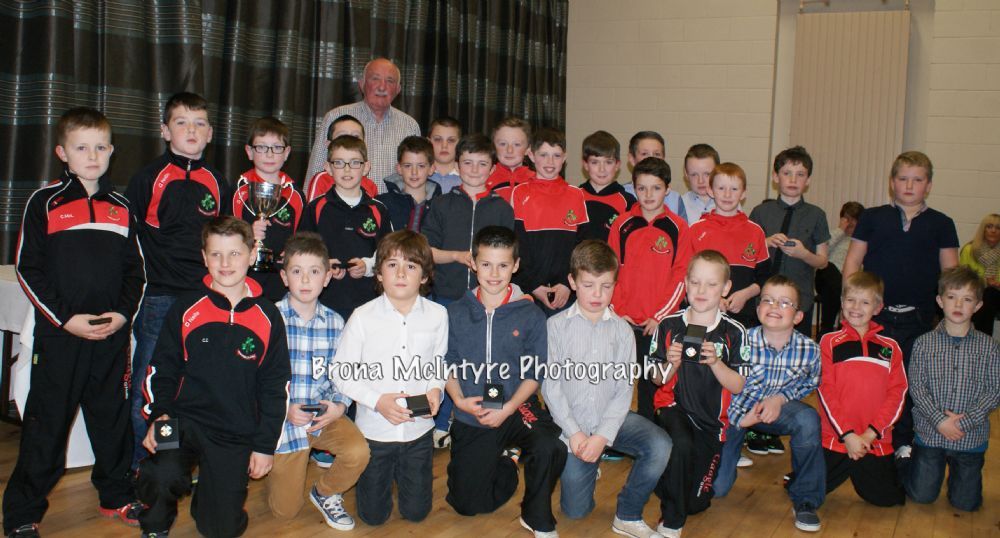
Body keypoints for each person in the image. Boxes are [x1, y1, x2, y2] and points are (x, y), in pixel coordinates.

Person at [3, 108, 145, 538]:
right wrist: (66, 320)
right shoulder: (44, 202)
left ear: (112, 151)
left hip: (110, 337)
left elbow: (136, 272)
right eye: (82, 147)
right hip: (61, 337)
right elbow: (28, 269)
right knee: (46, 424)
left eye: (101, 147)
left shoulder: (122, 207)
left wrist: (122, 315)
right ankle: (22, 513)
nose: (93, 156)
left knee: (112, 420)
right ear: (63, 153)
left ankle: (116, 494)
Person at [136, 217, 290, 538]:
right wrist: (158, 415)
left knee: (221, 529)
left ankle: (210, 501)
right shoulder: (186, 308)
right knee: (160, 471)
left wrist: (264, 447)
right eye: (216, 254)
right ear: (204, 257)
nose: (225, 263)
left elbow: (275, 387)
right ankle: (155, 527)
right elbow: (161, 369)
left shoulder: (268, 316)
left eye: (234, 253)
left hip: (235, 431)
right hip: (179, 419)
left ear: (252, 254)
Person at [125, 92, 231, 468]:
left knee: (194, 385)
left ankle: (175, 464)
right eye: (182, 122)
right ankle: (143, 466)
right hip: (159, 299)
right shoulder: (148, 178)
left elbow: (226, 242)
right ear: (165, 130)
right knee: (151, 387)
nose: (191, 130)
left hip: (205, 300)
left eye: (200, 123)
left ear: (210, 133)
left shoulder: (218, 183)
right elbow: (127, 239)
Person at [444, 226, 566, 538]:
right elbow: (446, 363)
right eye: (486, 264)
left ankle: (537, 515)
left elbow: (534, 373)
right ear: (473, 263)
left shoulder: (530, 314)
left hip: (515, 405)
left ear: (516, 265)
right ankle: (509, 461)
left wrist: (509, 407)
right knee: (466, 504)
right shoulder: (455, 312)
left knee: (550, 445)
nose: (494, 274)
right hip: (472, 411)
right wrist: (458, 400)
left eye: (502, 265)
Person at [543, 240, 669, 538]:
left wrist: (602, 436)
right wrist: (575, 434)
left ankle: (628, 514)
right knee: (575, 511)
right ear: (572, 282)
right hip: (572, 428)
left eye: (606, 286)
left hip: (612, 420)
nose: (597, 295)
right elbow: (551, 387)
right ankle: (589, 462)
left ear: (615, 284)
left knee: (660, 445)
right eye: (589, 285)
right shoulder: (555, 327)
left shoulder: (623, 331)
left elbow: (624, 389)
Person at [842, 151, 959, 457]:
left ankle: (903, 442)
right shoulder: (872, 218)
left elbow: (950, 274)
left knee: (907, 382)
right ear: (892, 182)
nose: (909, 186)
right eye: (903, 179)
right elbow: (853, 261)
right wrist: (853, 305)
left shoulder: (942, 223)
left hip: (918, 319)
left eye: (917, 180)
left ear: (928, 185)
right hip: (875, 317)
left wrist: (950, 314)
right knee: (871, 379)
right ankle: (863, 435)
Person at [335, 230, 448, 526]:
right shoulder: (362, 317)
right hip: (375, 432)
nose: (400, 273)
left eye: (411, 266)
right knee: (373, 517)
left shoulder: (438, 315)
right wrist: (377, 401)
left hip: (418, 431)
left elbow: (438, 362)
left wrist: (435, 389)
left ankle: (405, 478)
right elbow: (341, 372)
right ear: (379, 273)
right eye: (392, 264)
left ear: (424, 276)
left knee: (417, 513)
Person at [266, 232, 370, 531]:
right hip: (284, 422)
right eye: (297, 271)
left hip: (322, 418)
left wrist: (340, 405)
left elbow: (344, 372)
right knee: (284, 512)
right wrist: (283, 408)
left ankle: (324, 492)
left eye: (314, 272)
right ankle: (276, 466)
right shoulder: (270, 318)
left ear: (326, 278)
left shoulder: (336, 322)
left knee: (358, 452)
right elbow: (258, 378)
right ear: (284, 277)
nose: (305, 280)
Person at [714, 275, 825, 533]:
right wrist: (742, 419)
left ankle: (806, 499)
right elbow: (723, 389)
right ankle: (729, 456)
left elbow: (811, 382)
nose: (775, 307)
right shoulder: (739, 341)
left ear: (798, 316)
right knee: (717, 488)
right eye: (768, 300)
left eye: (785, 303)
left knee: (808, 419)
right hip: (736, 414)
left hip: (779, 411)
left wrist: (780, 398)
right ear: (757, 309)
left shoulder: (810, 349)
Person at [650, 250, 747, 538]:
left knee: (697, 503)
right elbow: (656, 379)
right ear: (685, 283)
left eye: (711, 284)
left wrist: (716, 363)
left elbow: (738, 385)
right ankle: (671, 522)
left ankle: (666, 480)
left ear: (726, 288)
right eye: (695, 282)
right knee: (681, 444)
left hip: (711, 423)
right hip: (673, 407)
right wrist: (671, 363)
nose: (701, 290)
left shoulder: (734, 332)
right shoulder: (668, 325)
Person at [904, 267, 999, 512]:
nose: (958, 304)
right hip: (931, 433)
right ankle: (908, 461)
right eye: (951, 297)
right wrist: (940, 421)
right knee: (921, 496)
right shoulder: (924, 343)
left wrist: (964, 422)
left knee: (966, 503)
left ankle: (958, 479)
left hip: (971, 436)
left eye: (967, 299)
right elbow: (917, 387)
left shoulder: (989, 347)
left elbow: (994, 391)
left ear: (978, 306)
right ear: (940, 301)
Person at [608, 157, 689, 421]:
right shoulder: (622, 224)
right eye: (641, 188)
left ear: (667, 189)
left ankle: (648, 430)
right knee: (615, 381)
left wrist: (661, 316)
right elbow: (611, 271)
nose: (648, 194)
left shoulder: (678, 227)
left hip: (656, 324)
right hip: (623, 319)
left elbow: (681, 277)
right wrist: (618, 312)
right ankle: (612, 432)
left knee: (649, 384)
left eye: (656, 188)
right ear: (634, 189)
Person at [817, 271, 906, 506]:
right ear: (842, 302)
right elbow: (826, 392)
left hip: (872, 440)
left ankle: (901, 460)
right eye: (850, 300)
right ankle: (806, 470)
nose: (856, 307)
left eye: (865, 302)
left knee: (889, 499)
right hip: (837, 438)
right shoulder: (829, 341)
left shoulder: (891, 348)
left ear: (877, 308)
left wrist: (870, 434)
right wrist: (847, 435)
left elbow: (898, 394)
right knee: (804, 490)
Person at [299, 135, 393, 320]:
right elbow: (302, 251)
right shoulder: (315, 208)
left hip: (368, 301)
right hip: (324, 301)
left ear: (366, 167)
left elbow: (389, 252)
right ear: (328, 168)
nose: (347, 169)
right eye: (339, 163)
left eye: (355, 163)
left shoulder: (378, 209)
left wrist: (368, 266)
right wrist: (323, 265)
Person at [423, 133, 514, 306]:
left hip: (488, 298)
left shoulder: (503, 209)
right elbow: (426, 251)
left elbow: (508, 256)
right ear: (457, 166)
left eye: (482, 164)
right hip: (445, 296)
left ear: (492, 169)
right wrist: (456, 256)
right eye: (467, 163)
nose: (474, 170)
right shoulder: (440, 204)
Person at [749, 145, 830, 336]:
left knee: (797, 346)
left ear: (808, 180)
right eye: (787, 173)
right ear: (776, 177)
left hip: (800, 299)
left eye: (800, 174)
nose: (793, 180)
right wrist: (766, 242)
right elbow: (747, 253)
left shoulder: (817, 215)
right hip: (764, 298)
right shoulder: (760, 212)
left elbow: (823, 261)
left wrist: (804, 254)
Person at [676, 162, 769, 328]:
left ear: (743, 193)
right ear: (711, 191)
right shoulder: (696, 230)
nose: (727, 194)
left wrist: (745, 294)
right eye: (721, 188)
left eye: (734, 189)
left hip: (744, 318)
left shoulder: (756, 232)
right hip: (700, 317)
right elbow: (684, 275)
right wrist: (713, 298)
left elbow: (765, 277)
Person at [305, 58, 420, 191]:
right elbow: (315, 172)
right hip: (344, 203)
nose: (382, 87)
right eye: (375, 79)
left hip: (394, 204)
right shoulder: (336, 117)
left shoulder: (410, 126)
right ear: (362, 84)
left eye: (390, 81)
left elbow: (419, 175)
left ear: (398, 89)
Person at [511, 128, 589, 316]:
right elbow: (516, 246)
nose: (550, 162)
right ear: (531, 155)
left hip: (565, 292)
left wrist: (567, 283)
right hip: (529, 290)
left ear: (565, 157)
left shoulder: (576, 195)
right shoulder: (520, 193)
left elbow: (582, 246)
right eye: (543, 155)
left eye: (556, 155)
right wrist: (534, 285)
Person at [232, 116, 305, 301]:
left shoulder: (296, 195)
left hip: (280, 284)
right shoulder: (238, 192)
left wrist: (293, 250)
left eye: (277, 147)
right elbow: (226, 237)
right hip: (243, 281)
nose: (270, 154)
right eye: (262, 147)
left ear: (287, 152)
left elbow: (302, 237)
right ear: (249, 151)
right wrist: (249, 234)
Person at [814, 202, 864, 336]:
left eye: (854, 219)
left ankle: (826, 330)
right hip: (824, 277)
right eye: (847, 218)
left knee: (837, 285)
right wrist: (840, 230)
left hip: (845, 284)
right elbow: (819, 252)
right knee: (830, 268)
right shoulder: (833, 235)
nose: (850, 222)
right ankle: (836, 328)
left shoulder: (861, 242)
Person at [577, 130, 635, 242]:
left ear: (617, 165)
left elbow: (630, 242)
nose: (602, 169)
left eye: (608, 162)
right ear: (585, 165)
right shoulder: (575, 196)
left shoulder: (628, 202)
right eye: (595, 162)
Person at [304, 115, 378, 201]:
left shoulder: (370, 185)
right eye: (341, 137)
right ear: (329, 145)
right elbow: (313, 208)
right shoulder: (322, 180)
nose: (348, 141)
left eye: (356, 137)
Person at [376, 135, 442, 232]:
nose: (414, 172)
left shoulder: (440, 206)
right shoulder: (382, 204)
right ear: (399, 168)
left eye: (421, 166)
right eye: (408, 166)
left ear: (431, 169)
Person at [622, 131, 686, 221]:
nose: (651, 158)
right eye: (644, 154)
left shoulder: (675, 199)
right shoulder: (621, 194)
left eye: (657, 154)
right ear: (632, 159)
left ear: (663, 158)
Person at [959, 213, 1000, 335]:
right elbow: (962, 279)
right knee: (986, 295)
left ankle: (982, 338)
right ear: (983, 229)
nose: (993, 231)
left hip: (995, 294)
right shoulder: (969, 250)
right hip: (975, 293)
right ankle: (983, 338)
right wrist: (983, 282)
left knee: (990, 294)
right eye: (989, 226)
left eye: (998, 228)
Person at [486, 117, 535, 202]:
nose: (509, 150)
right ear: (493, 147)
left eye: (517, 144)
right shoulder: (483, 178)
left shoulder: (536, 180)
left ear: (528, 149)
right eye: (503, 144)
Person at [678, 143, 721, 225]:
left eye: (707, 174)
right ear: (686, 175)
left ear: (718, 173)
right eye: (694, 175)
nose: (700, 181)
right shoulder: (680, 205)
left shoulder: (729, 203)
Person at [427, 116, 462, 193]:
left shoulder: (470, 177)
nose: (444, 146)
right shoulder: (416, 176)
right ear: (428, 142)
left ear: (460, 143)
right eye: (438, 139)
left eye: (451, 140)